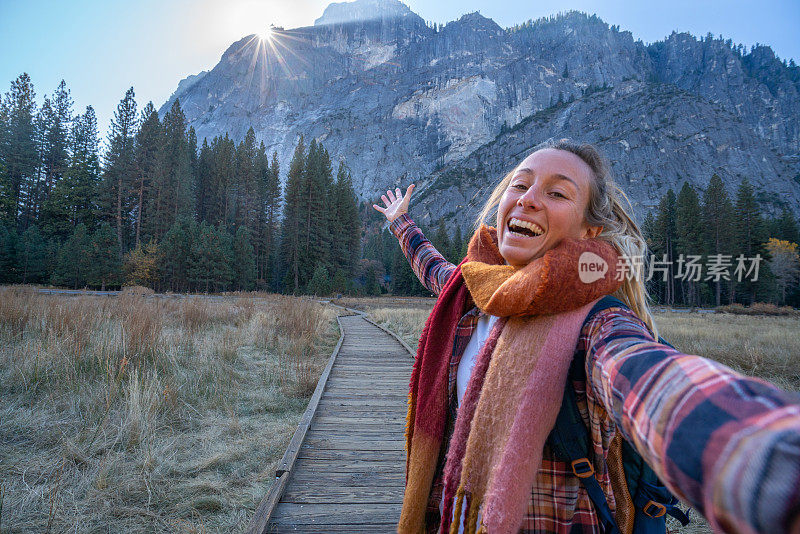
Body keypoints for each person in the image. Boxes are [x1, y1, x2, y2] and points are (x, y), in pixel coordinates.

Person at [372, 139, 800, 534]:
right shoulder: (473, 291)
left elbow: (649, 378)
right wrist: (401, 223)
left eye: (557, 193)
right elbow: (434, 268)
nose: (528, 199)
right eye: (519, 185)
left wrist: (765, 457)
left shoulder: (598, 323)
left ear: (588, 231)